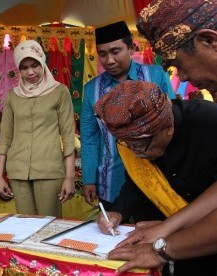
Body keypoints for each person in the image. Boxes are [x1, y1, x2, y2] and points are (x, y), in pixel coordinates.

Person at [92, 0, 217, 274]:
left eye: (179, 64)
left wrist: (162, 246)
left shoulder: (207, 121)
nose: (183, 77)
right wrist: (167, 228)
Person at [94, 80, 217, 275]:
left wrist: (169, 231)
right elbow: (138, 181)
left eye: (140, 145)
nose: (135, 152)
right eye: (127, 144)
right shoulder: (134, 144)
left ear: (168, 127)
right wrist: (118, 211)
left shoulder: (208, 122)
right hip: (166, 243)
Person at [80, 21, 176, 210]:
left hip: (157, 178)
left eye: (115, 51)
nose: (109, 60)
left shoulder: (156, 76)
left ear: (131, 48)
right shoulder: (92, 90)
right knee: (112, 236)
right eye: (102, 54)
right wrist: (89, 179)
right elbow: (90, 139)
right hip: (111, 181)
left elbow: (173, 121)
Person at [0, 40, 76, 217]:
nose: (30, 72)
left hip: (49, 170)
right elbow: (5, 138)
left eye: (35, 65)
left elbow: (68, 136)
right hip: (17, 171)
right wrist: (0, 176)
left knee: (49, 228)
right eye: (24, 68)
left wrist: (70, 177)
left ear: (42, 62)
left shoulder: (59, 92)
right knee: (25, 229)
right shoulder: (12, 96)